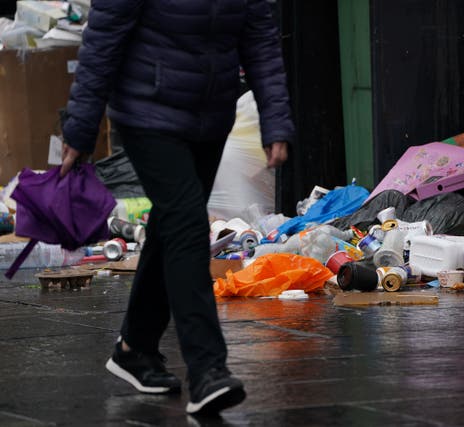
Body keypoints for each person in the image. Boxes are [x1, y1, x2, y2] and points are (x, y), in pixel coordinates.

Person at [59, 0, 294, 416]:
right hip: (147, 113)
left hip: (210, 117)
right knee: (187, 224)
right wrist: (79, 127)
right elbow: (102, 42)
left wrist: (276, 122)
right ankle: (208, 370)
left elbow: (260, 41)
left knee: (172, 226)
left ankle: (136, 347)